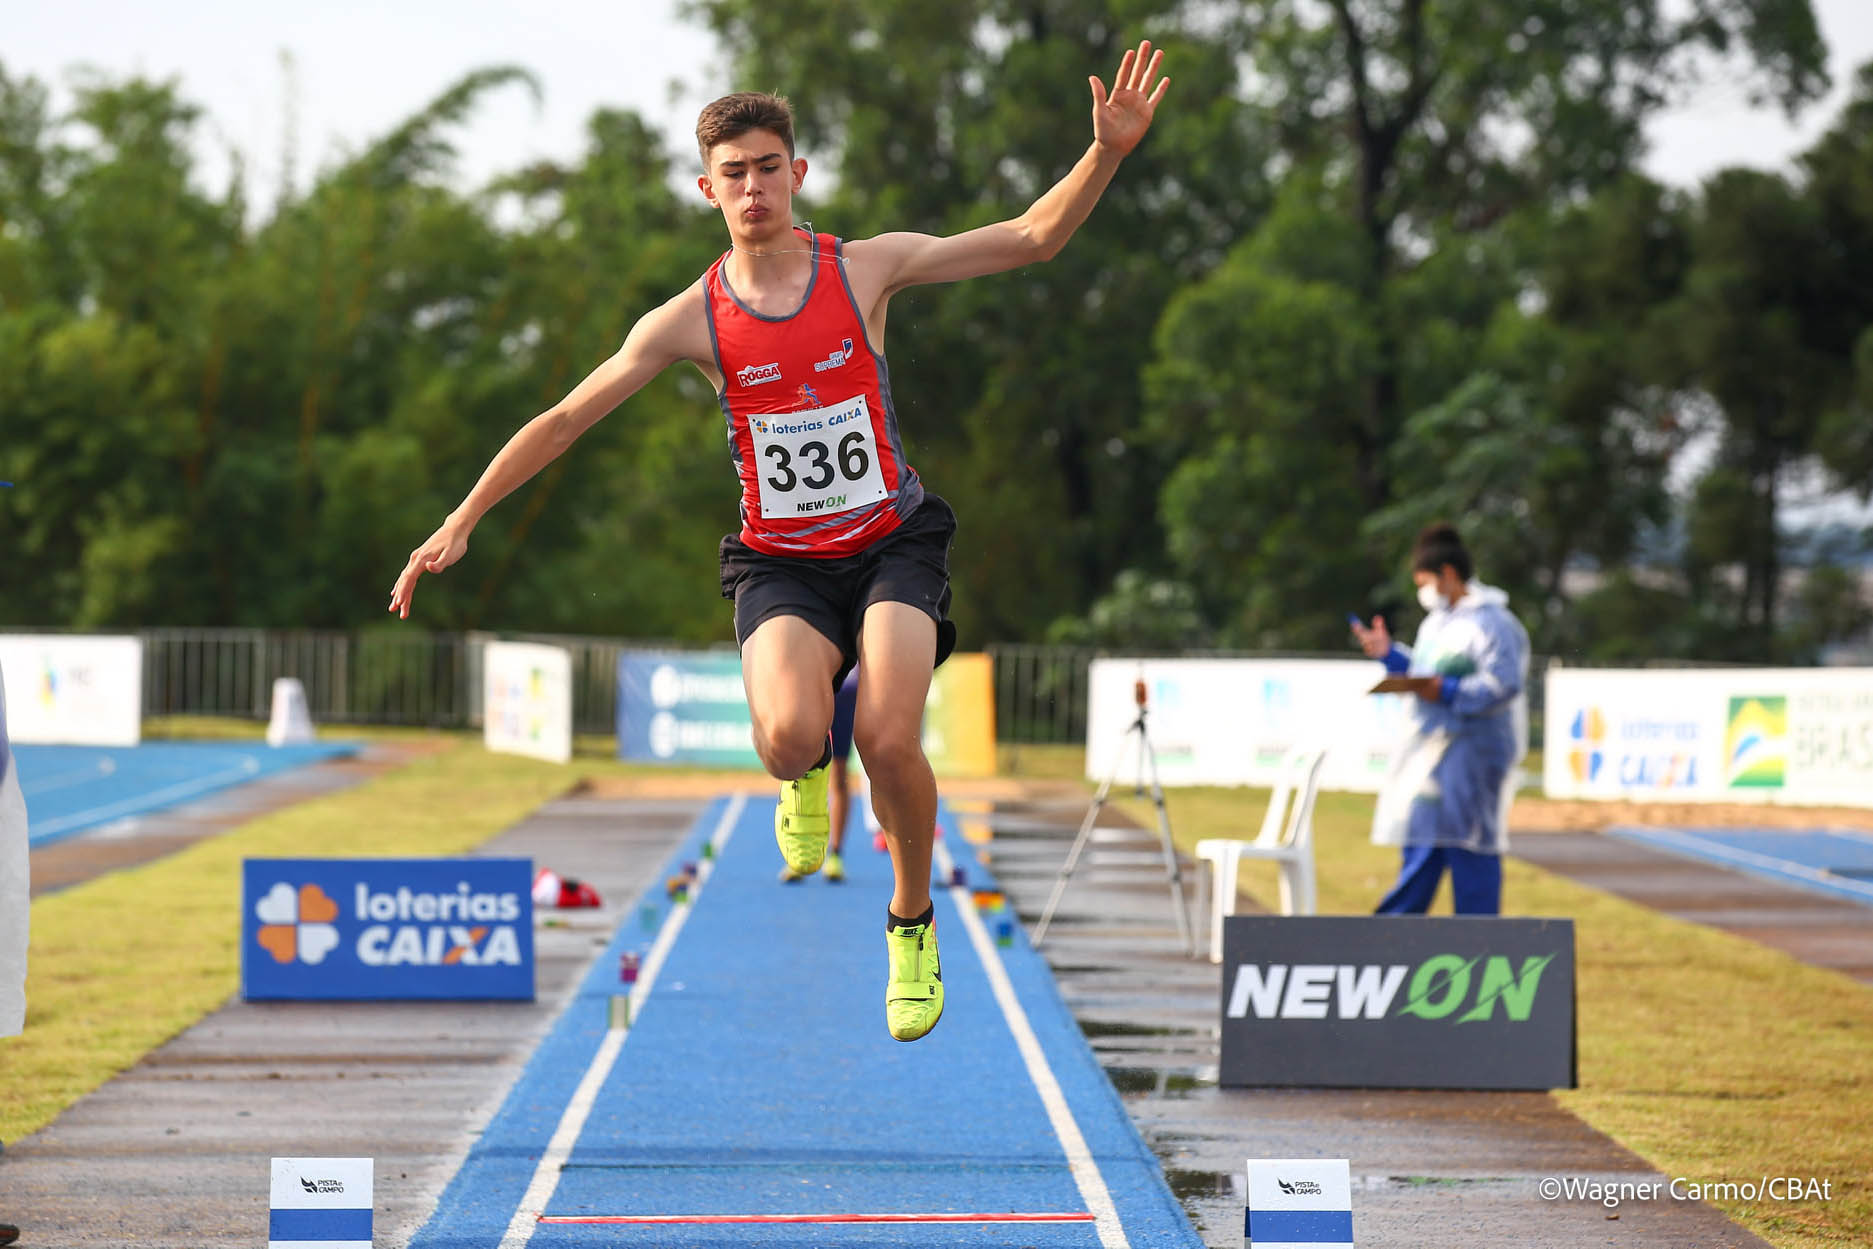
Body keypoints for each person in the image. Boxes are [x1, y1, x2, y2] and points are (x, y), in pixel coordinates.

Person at [389, 44, 1171, 1041]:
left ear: (795, 173)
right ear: (705, 188)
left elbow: (1027, 237)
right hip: (782, 566)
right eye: (733, 173)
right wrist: (463, 517)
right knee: (793, 735)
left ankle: (912, 924)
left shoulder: (865, 267)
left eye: (768, 167)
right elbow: (564, 417)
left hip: (892, 542)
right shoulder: (690, 321)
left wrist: (1103, 156)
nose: (752, 187)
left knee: (888, 737)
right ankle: (800, 775)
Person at [1350, 523, 1529, 915]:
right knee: (1423, 844)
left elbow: (1504, 684)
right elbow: (1424, 670)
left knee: (1470, 850)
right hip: (1431, 757)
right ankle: (1390, 940)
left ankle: (1479, 946)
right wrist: (1390, 656)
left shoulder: (1494, 623)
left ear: (1448, 574)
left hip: (1474, 756)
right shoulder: (1438, 622)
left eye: (1426, 581)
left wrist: (1446, 691)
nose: (1424, 592)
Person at [779, 667, 856, 883]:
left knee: (839, 776)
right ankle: (796, 852)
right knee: (798, 769)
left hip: (843, 692)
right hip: (808, 689)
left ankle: (836, 854)